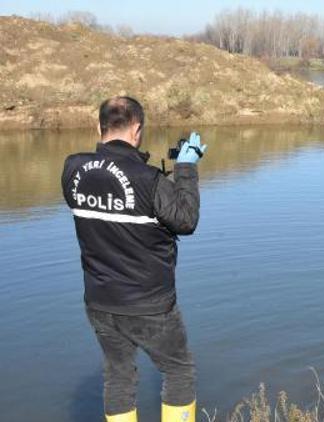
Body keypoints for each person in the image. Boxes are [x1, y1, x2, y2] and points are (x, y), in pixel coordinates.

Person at [61, 96, 207, 422]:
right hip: (150, 305)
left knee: (118, 376)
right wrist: (185, 168)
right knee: (179, 371)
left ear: (97, 127)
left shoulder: (72, 169)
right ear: (137, 129)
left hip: (100, 303)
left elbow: (112, 195)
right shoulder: (149, 180)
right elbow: (186, 220)